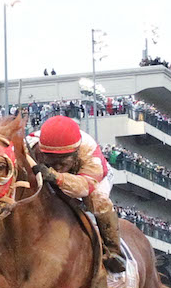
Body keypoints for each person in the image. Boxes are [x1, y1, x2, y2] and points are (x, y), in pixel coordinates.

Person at [27, 116, 126, 272]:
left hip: (91, 180)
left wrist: (56, 176)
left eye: (62, 161)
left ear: (76, 153)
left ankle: (114, 251)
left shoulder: (90, 154)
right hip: (52, 174)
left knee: (98, 200)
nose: (58, 166)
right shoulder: (31, 143)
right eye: (52, 160)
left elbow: (84, 188)